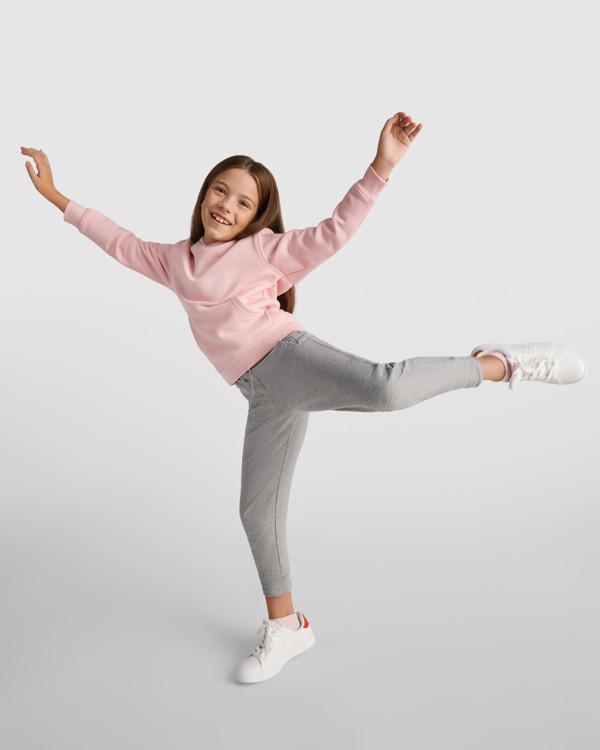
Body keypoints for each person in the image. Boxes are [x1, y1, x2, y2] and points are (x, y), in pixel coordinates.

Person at [20, 111, 586, 685]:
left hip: (287, 357)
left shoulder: (262, 250)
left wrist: (381, 167)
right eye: (220, 191)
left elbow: (333, 232)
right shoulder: (175, 260)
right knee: (255, 511)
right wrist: (56, 197)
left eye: (243, 202)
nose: (227, 206)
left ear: (256, 216)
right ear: (203, 193)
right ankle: (287, 626)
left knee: (385, 388)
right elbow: (118, 242)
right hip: (262, 394)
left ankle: (503, 364)